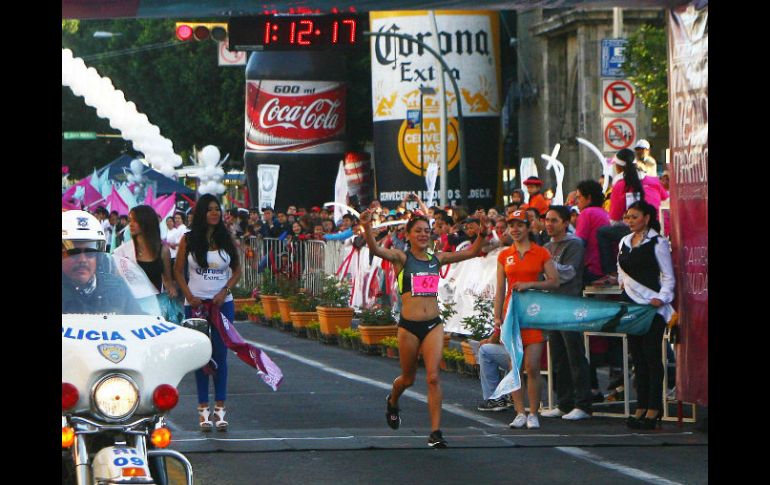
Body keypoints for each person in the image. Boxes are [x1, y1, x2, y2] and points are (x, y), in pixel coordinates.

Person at [360, 208, 489, 448]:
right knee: (408, 379)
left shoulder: (436, 259)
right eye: (418, 231)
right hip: (409, 326)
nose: (423, 235)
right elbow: (376, 249)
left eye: (426, 231)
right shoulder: (401, 258)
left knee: (432, 377)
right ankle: (393, 401)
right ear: (408, 234)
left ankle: (435, 432)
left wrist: (482, 231)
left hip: (433, 324)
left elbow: (472, 251)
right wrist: (367, 228)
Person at [174, 194, 242, 431]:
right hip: (195, 305)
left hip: (223, 304)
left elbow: (236, 270)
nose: (215, 213)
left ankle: (220, 409)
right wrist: (188, 296)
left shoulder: (226, 238)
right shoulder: (189, 239)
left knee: (221, 355)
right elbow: (178, 272)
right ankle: (203, 410)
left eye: (217, 209)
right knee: (201, 357)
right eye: (210, 209)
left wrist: (225, 291)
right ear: (202, 213)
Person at [493, 210, 559, 430]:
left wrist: (531, 285)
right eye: (511, 226)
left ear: (527, 227)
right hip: (512, 315)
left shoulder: (541, 253)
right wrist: (496, 317)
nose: (515, 229)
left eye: (519, 225)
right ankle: (519, 411)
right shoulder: (504, 255)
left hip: (534, 313)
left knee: (532, 366)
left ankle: (533, 412)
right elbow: (499, 289)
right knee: (515, 367)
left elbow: (554, 281)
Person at [618, 200, 675, 430]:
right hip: (632, 306)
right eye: (627, 217)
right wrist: (623, 285)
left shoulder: (657, 243)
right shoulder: (624, 241)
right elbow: (620, 270)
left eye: (634, 216)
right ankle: (640, 405)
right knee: (637, 358)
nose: (630, 221)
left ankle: (654, 407)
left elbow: (668, 276)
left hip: (652, 307)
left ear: (647, 218)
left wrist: (662, 297)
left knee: (652, 357)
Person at [539, 206, 593, 421]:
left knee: (575, 355)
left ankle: (583, 404)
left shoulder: (574, 244)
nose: (549, 224)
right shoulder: (545, 246)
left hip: (570, 305)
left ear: (565, 222)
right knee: (558, 357)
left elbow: (568, 273)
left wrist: (546, 265)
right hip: (551, 306)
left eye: (554, 220)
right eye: (547, 220)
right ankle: (564, 402)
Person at [62, 210, 142, 315]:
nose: (82, 259)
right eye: (73, 252)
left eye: (90, 252)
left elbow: (140, 320)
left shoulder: (117, 288)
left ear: (99, 258)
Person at [114, 205, 179, 321]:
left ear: (146, 222)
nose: (131, 225)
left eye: (135, 221)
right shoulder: (123, 251)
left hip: (154, 308)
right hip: (129, 308)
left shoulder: (162, 250)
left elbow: (167, 280)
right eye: (130, 221)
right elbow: (116, 282)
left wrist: (172, 290)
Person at [594, 149, 641, 286]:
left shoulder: (620, 184)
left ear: (618, 166)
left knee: (602, 232)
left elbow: (614, 218)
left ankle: (611, 273)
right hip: (654, 226)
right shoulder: (651, 180)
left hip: (632, 228)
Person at [574, 180, 611, 285]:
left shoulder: (587, 213)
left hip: (592, 269)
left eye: (579, 197)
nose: (576, 201)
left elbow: (578, 244)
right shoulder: (604, 213)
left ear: (589, 198)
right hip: (605, 269)